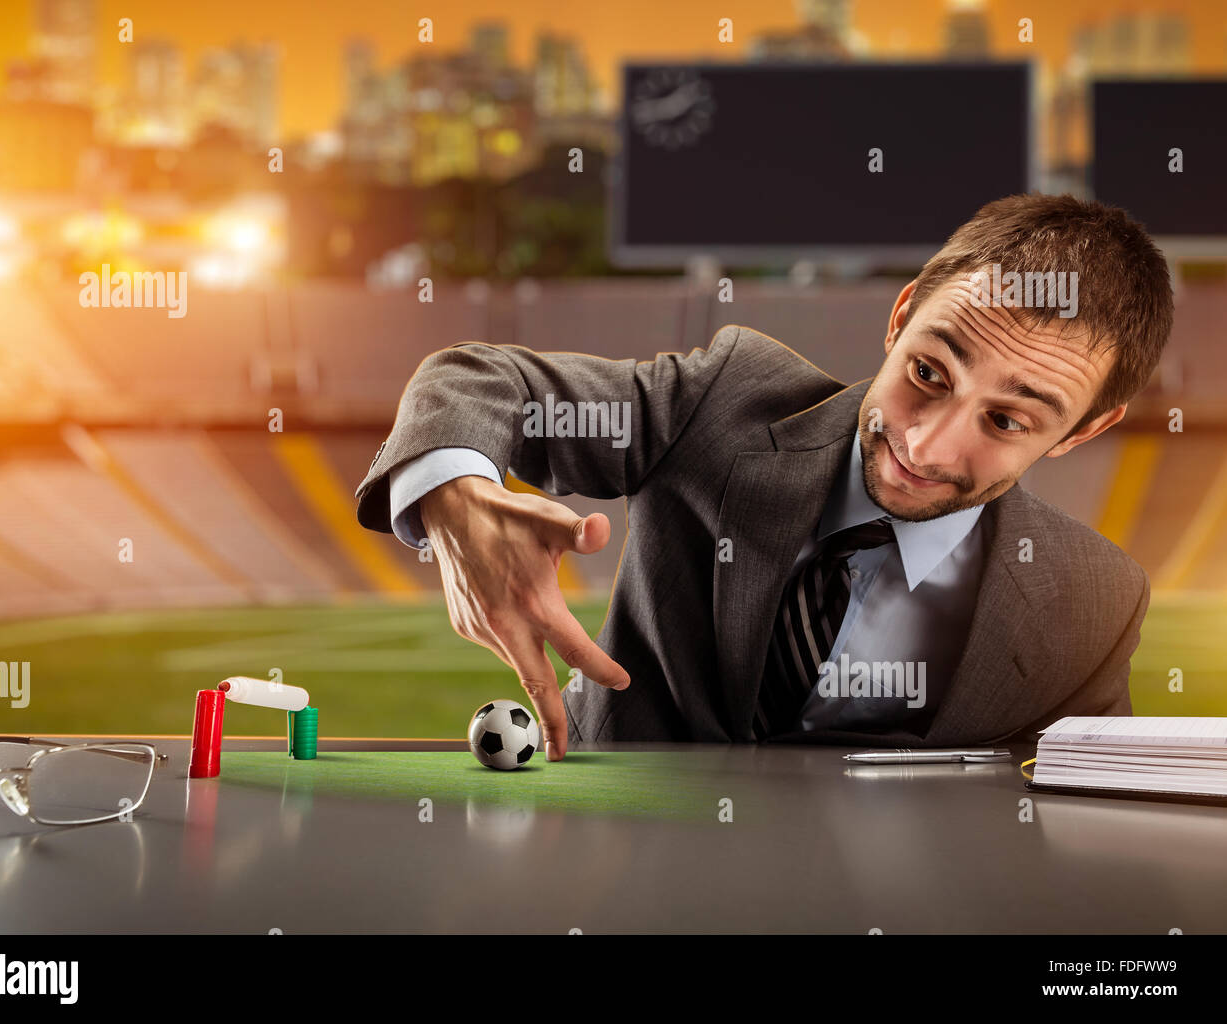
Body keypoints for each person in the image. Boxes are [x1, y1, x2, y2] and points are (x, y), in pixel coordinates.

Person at [356, 194, 1174, 759]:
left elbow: (1075, 819)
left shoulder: (1096, 602)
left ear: (1085, 430)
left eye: (1005, 421)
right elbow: (477, 381)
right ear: (901, 316)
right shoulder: (724, 402)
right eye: (929, 371)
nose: (925, 445)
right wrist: (453, 493)